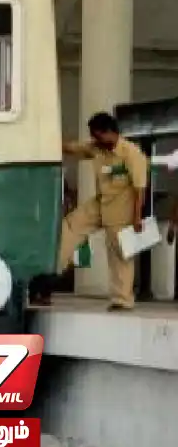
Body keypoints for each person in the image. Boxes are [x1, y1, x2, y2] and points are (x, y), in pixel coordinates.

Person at [31, 112, 147, 310]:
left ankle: (122, 300)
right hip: (100, 203)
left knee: (120, 254)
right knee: (69, 227)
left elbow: (139, 189)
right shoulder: (96, 147)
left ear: (110, 132)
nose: (95, 140)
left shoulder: (132, 154)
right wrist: (45, 141)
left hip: (122, 209)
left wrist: (137, 217)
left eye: (98, 136)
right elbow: (71, 148)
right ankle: (48, 275)